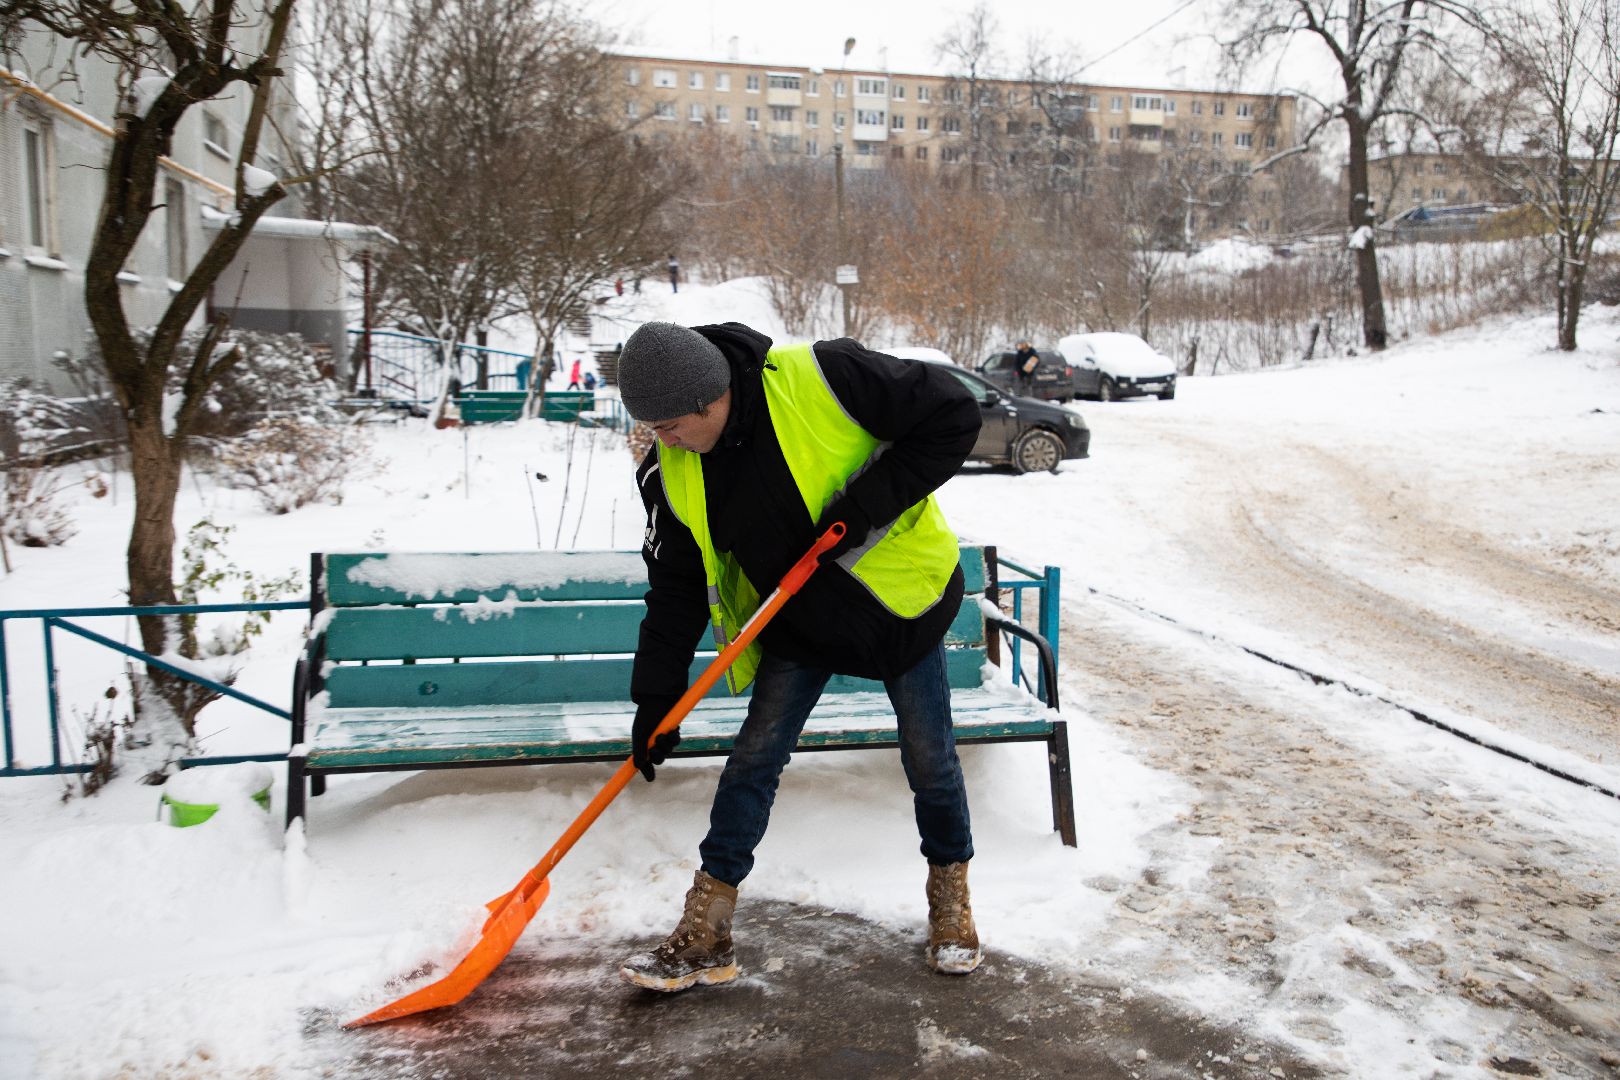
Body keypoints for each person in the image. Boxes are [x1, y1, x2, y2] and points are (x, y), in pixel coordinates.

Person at [614, 320, 983, 994]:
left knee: (930, 758)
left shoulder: (826, 376)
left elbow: (954, 412)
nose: (660, 439)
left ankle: (951, 904)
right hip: (796, 618)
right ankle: (707, 932)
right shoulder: (672, 466)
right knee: (753, 759)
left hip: (899, 603)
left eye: (668, 424)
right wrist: (656, 702)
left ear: (711, 400)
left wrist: (866, 504)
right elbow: (672, 590)